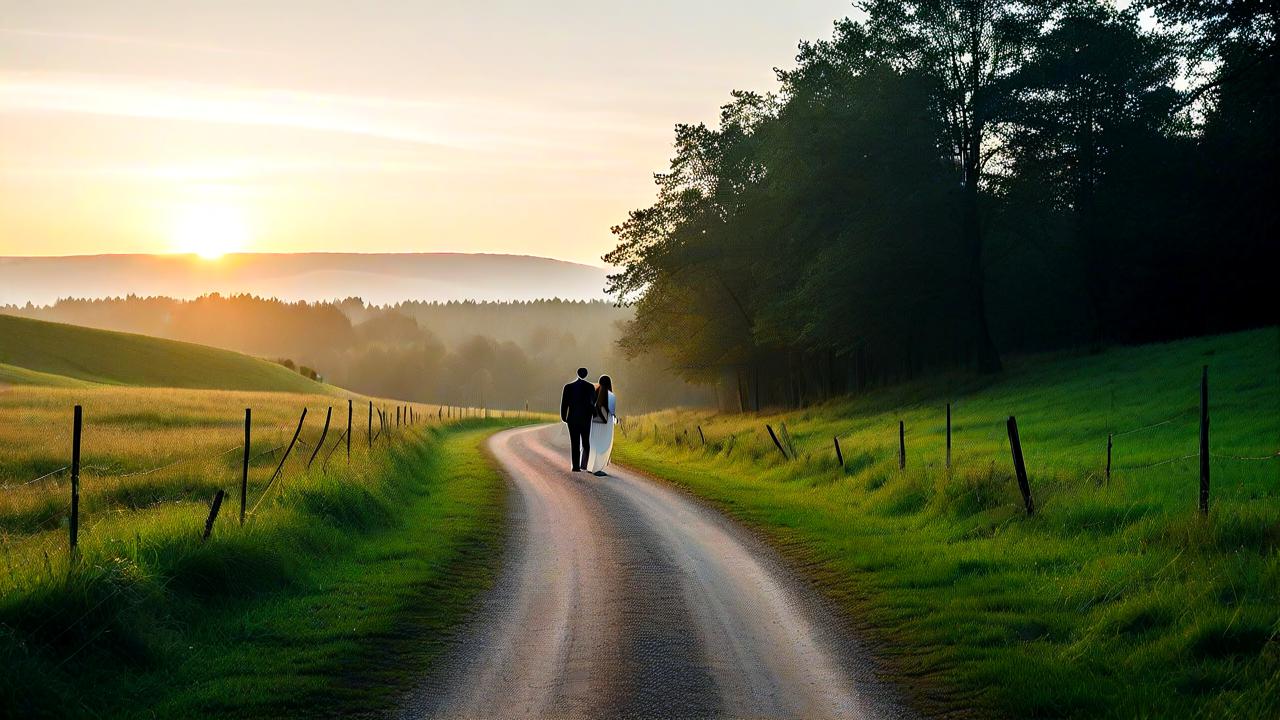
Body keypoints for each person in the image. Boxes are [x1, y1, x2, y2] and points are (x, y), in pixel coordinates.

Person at [560, 367, 596, 472]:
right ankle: (584, 464)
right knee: (585, 441)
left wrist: (564, 417)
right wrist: (594, 414)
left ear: (577, 373)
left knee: (574, 442)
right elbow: (592, 402)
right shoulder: (590, 387)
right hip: (586, 418)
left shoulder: (568, 387)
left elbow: (564, 403)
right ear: (586, 374)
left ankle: (575, 466)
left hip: (572, 418)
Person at [587, 375, 616, 476]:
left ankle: (590, 466)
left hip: (594, 422)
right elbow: (612, 412)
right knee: (603, 445)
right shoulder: (611, 396)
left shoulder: (594, 393)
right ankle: (598, 468)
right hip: (606, 423)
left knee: (594, 444)